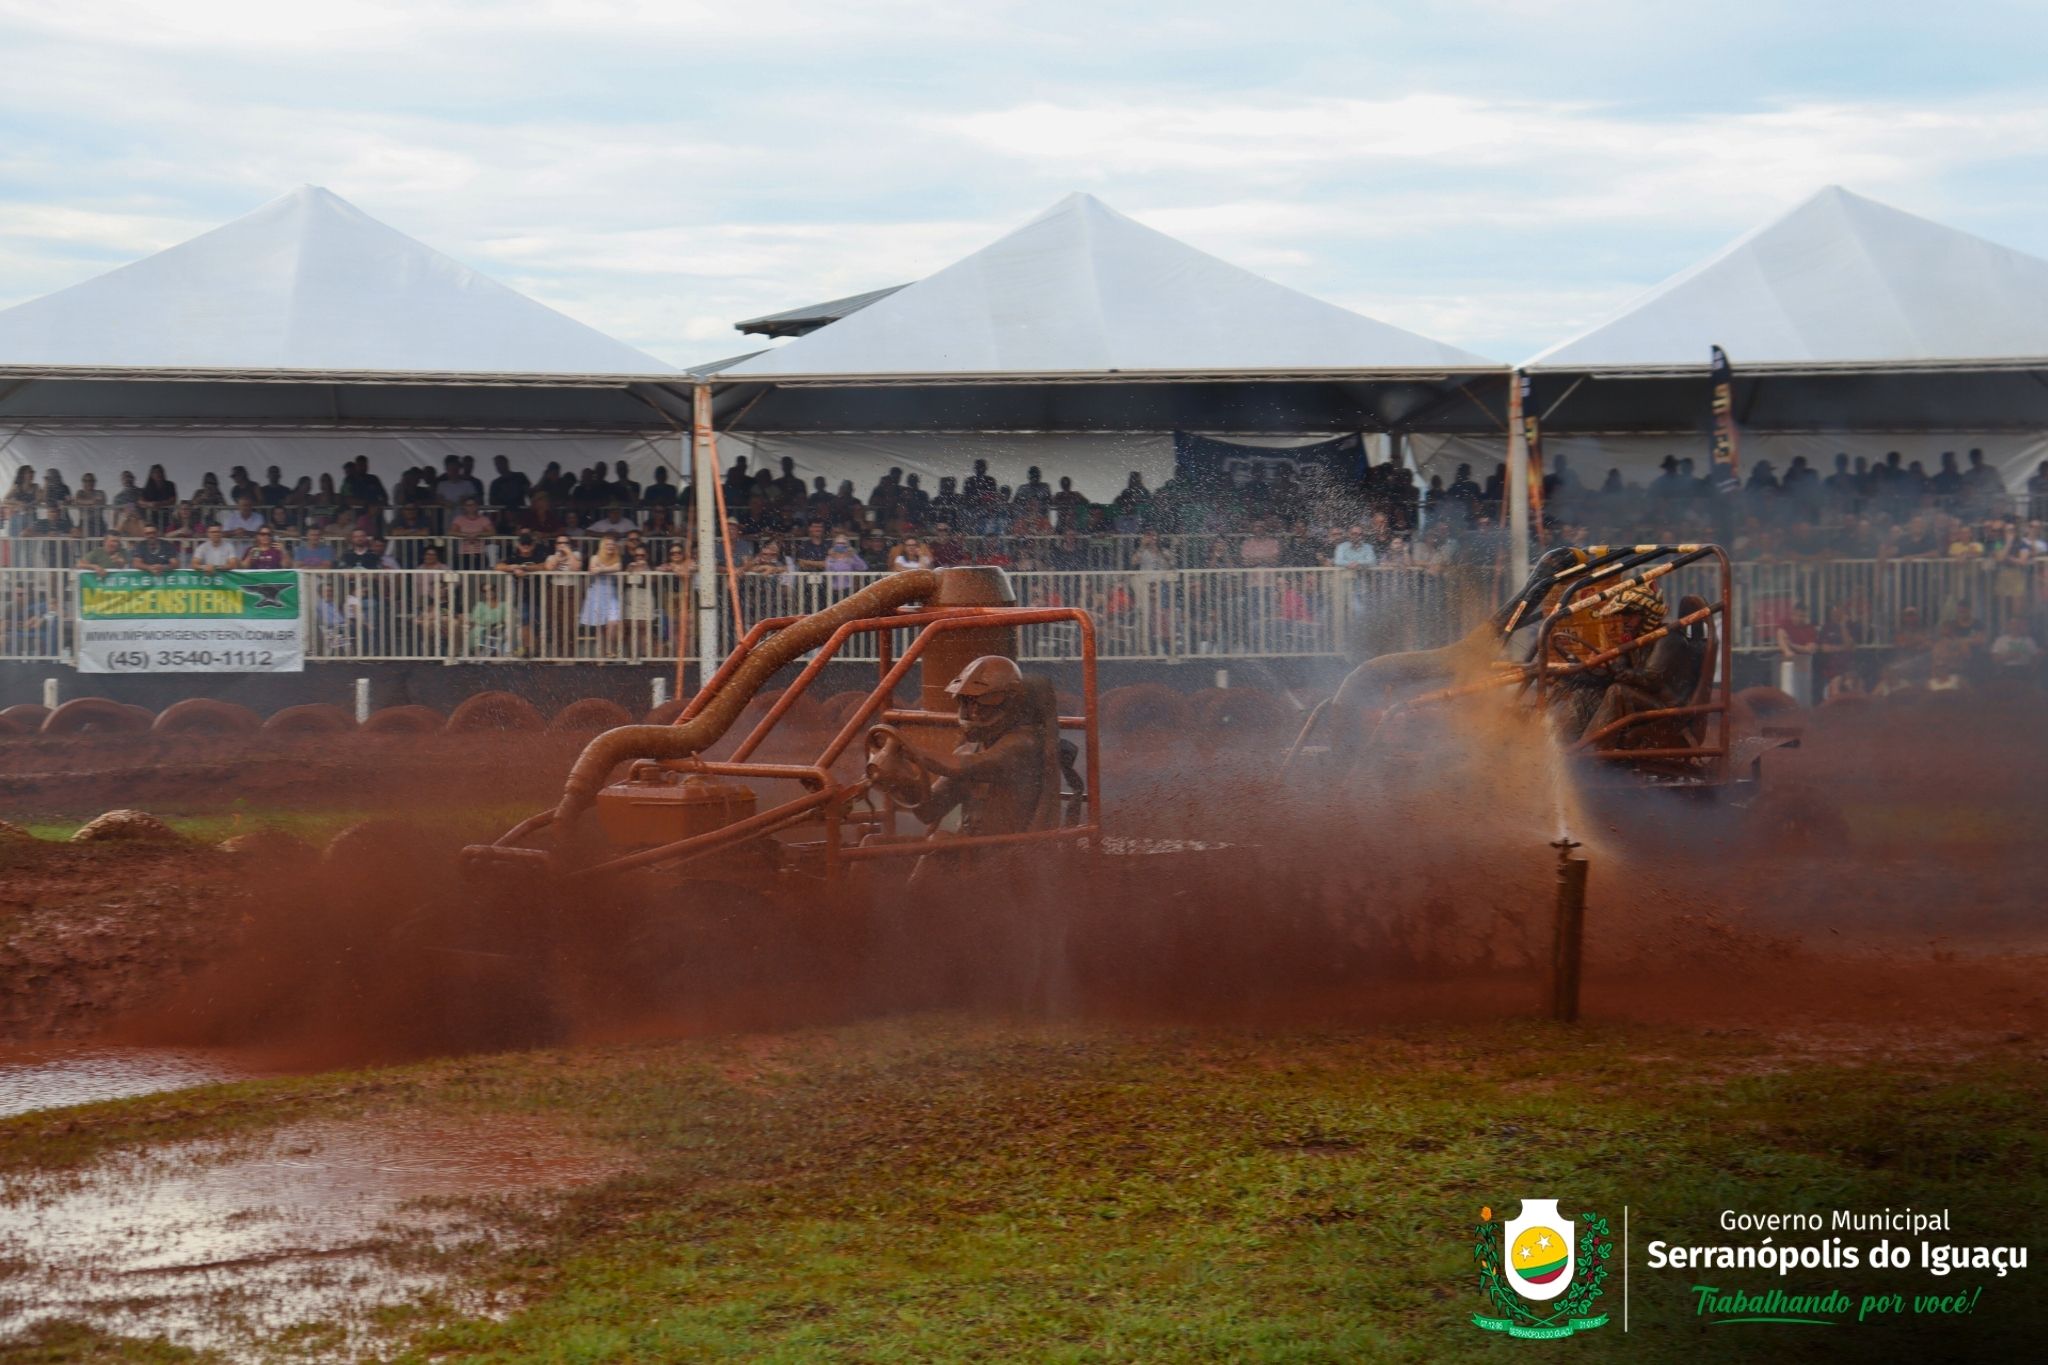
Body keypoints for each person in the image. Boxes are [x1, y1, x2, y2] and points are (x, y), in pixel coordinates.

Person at [863, 655, 1068, 881]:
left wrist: (910, 751)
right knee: (871, 845)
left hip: (1006, 857)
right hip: (971, 850)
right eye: (967, 702)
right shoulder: (969, 750)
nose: (973, 713)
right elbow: (929, 810)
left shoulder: (1024, 744)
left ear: (1011, 703)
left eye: (984, 704)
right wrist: (899, 782)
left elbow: (965, 766)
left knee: (939, 844)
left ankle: (912, 912)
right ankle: (854, 909)